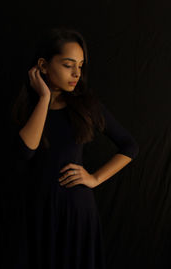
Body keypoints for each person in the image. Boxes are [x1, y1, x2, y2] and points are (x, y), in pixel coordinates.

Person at [10, 26, 139, 269]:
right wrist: (45, 99)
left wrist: (95, 178)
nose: (76, 73)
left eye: (80, 65)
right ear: (44, 65)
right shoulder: (28, 107)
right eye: (68, 65)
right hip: (38, 214)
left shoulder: (87, 106)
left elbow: (130, 146)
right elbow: (25, 151)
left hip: (77, 214)